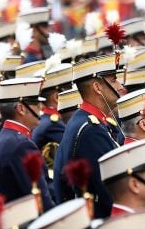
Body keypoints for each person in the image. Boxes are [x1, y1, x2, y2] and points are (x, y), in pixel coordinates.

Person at [52, 56, 125, 217]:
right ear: (98, 87)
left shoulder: (87, 122)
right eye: (114, 81)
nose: (120, 86)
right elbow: (109, 191)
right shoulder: (90, 129)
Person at [0, 77, 54, 208]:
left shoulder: (2, 139)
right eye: (36, 103)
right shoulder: (21, 145)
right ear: (21, 108)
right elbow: (41, 199)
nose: (41, 107)